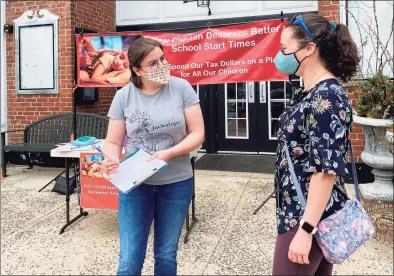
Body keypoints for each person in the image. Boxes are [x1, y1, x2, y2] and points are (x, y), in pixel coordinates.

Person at [101, 37, 205, 276]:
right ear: (137, 69)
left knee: (166, 254)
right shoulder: (124, 96)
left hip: (177, 182)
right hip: (136, 184)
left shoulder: (182, 88)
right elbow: (113, 141)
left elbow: (197, 133)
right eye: (153, 63)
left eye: (163, 59)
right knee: (129, 258)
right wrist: (112, 158)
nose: (162, 66)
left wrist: (169, 153)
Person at [271, 13, 360, 275]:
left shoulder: (327, 97)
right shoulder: (312, 92)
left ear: (309, 49)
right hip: (308, 212)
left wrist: (306, 230)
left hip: (307, 217)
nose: (280, 55)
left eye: (284, 49)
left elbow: (325, 171)